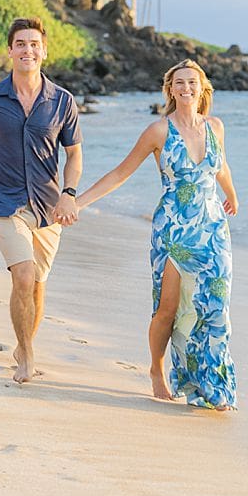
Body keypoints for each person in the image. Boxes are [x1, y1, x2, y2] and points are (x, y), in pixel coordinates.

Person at [77, 59, 239, 410]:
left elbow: (220, 165)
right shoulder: (158, 132)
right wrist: (80, 202)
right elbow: (121, 173)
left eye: (192, 83)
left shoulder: (216, 127)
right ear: (170, 90)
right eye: (179, 83)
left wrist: (232, 195)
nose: (186, 88)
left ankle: (213, 387)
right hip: (173, 231)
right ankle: (156, 369)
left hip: (212, 230)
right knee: (167, 309)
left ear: (202, 88)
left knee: (214, 308)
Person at [0, 17, 82, 383]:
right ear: (10, 51)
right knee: (24, 277)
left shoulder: (62, 101)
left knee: (38, 283)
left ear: (44, 51)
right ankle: (26, 355)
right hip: (4, 201)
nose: (28, 50)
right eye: (21, 44)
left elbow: (74, 153)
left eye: (34, 44)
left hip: (48, 206)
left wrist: (69, 194)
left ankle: (23, 342)